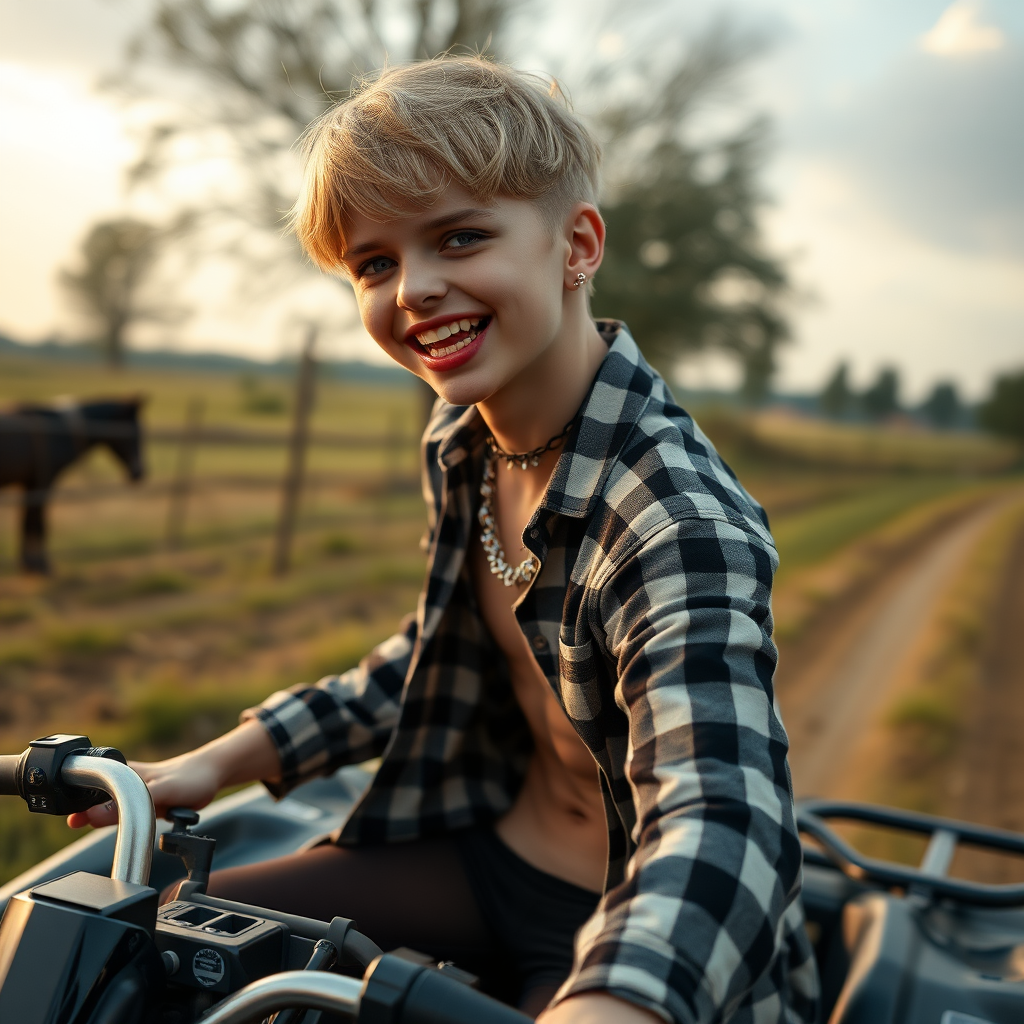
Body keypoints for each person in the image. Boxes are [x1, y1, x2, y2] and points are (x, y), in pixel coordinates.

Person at [70, 57, 819, 1024]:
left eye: (460, 236)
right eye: (374, 263)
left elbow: (723, 816)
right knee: (165, 950)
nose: (414, 289)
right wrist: (218, 762)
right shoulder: (466, 439)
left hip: (629, 919)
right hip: (485, 855)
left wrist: (618, 1003)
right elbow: (427, 658)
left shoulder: (675, 521)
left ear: (577, 245)